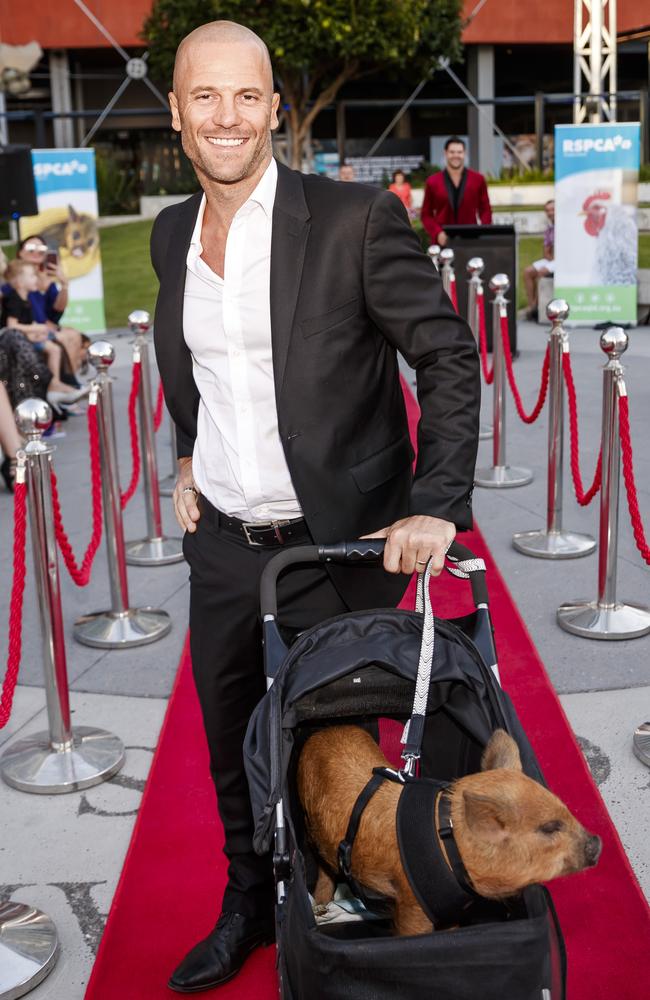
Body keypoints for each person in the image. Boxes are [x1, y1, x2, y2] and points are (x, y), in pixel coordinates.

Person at [151, 20, 479, 994]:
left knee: (337, 754)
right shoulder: (172, 234)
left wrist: (435, 503)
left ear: (275, 110)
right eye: (204, 96)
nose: (227, 116)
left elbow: (447, 357)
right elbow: (197, 370)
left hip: (339, 545)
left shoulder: (351, 218)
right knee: (225, 740)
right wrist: (182, 456)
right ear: (173, 113)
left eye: (247, 96)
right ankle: (246, 901)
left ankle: (353, 909)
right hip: (221, 545)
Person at [1, 260, 88, 407]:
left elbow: (29, 322)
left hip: (26, 337)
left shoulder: (26, 299)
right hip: (14, 341)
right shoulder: (14, 300)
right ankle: (54, 386)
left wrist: (39, 329)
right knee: (52, 349)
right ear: (19, 281)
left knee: (55, 346)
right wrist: (35, 330)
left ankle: (59, 385)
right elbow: (11, 326)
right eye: (32, 276)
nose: (36, 278)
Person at [14, 235, 89, 379]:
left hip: (46, 325)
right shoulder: (17, 278)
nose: (36, 251)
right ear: (20, 253)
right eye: (30, 248)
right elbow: (21, 308)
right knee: (64, 337)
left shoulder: (46, 279)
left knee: (74, 335)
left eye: (41, 248)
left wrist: (64, 285)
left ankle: (68, 384)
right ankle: (67, 385)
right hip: (29, 328)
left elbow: (57, 311)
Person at [420, 137, 492, 246]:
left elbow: (485, 209)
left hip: (471, 239)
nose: (456, 155)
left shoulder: (478, 179)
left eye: (459, 152)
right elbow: (426, 214)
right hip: (442, 241)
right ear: (445, 153)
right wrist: (437, 233)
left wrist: (483, 231)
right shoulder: (432, 181)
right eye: (452, 152)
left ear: (464, 153)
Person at [522, 199, 555, 321]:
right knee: (527, 271)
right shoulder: (549, 228)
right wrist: (551, 259)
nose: (550, 213)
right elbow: (546, 251)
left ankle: (536, 307)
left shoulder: (564, 226)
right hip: (552, 259)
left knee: (542, 271)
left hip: (562, 260)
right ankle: (532, 306)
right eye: (548, 210)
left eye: (553, 209)